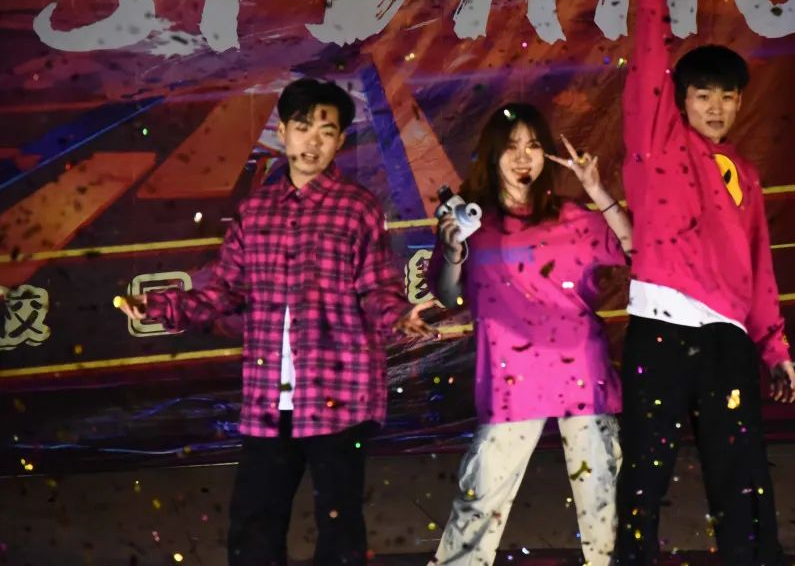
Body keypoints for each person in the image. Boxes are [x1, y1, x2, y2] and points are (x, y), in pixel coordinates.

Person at [115, 78, 434, 566]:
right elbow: (224, 289)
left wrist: (400, 316)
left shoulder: (358, 208)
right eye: (302, 127)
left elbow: (376, 288)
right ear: (282, 133)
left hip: (340, 395)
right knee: (254, 523)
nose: (312, 141)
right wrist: (160, 307)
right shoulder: (255, 211)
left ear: (340, 141)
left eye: (326, 131)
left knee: (339, 523)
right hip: (269, 397)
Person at [613, 0, 795, 566]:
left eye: (728, 97)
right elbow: (648, 49)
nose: (716, 107)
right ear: (679, 98)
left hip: (727, 342)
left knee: (742, 476)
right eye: (702, 94)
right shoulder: (656, 140)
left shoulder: (744, 172)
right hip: (660, 335)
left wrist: (775, 348)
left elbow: (759, 267)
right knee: (645, 474)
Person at [428, 103, 632, 566]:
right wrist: (453, 247)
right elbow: (447, 295)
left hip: (582, 377)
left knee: (603, 509)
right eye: (511, 146)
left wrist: (596, 188)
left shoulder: (573, 216)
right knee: (479, 505)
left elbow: (634, 247)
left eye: (533, 146)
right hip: (512, 382)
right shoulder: (471, 222)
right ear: (491, 154)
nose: (523, 157)